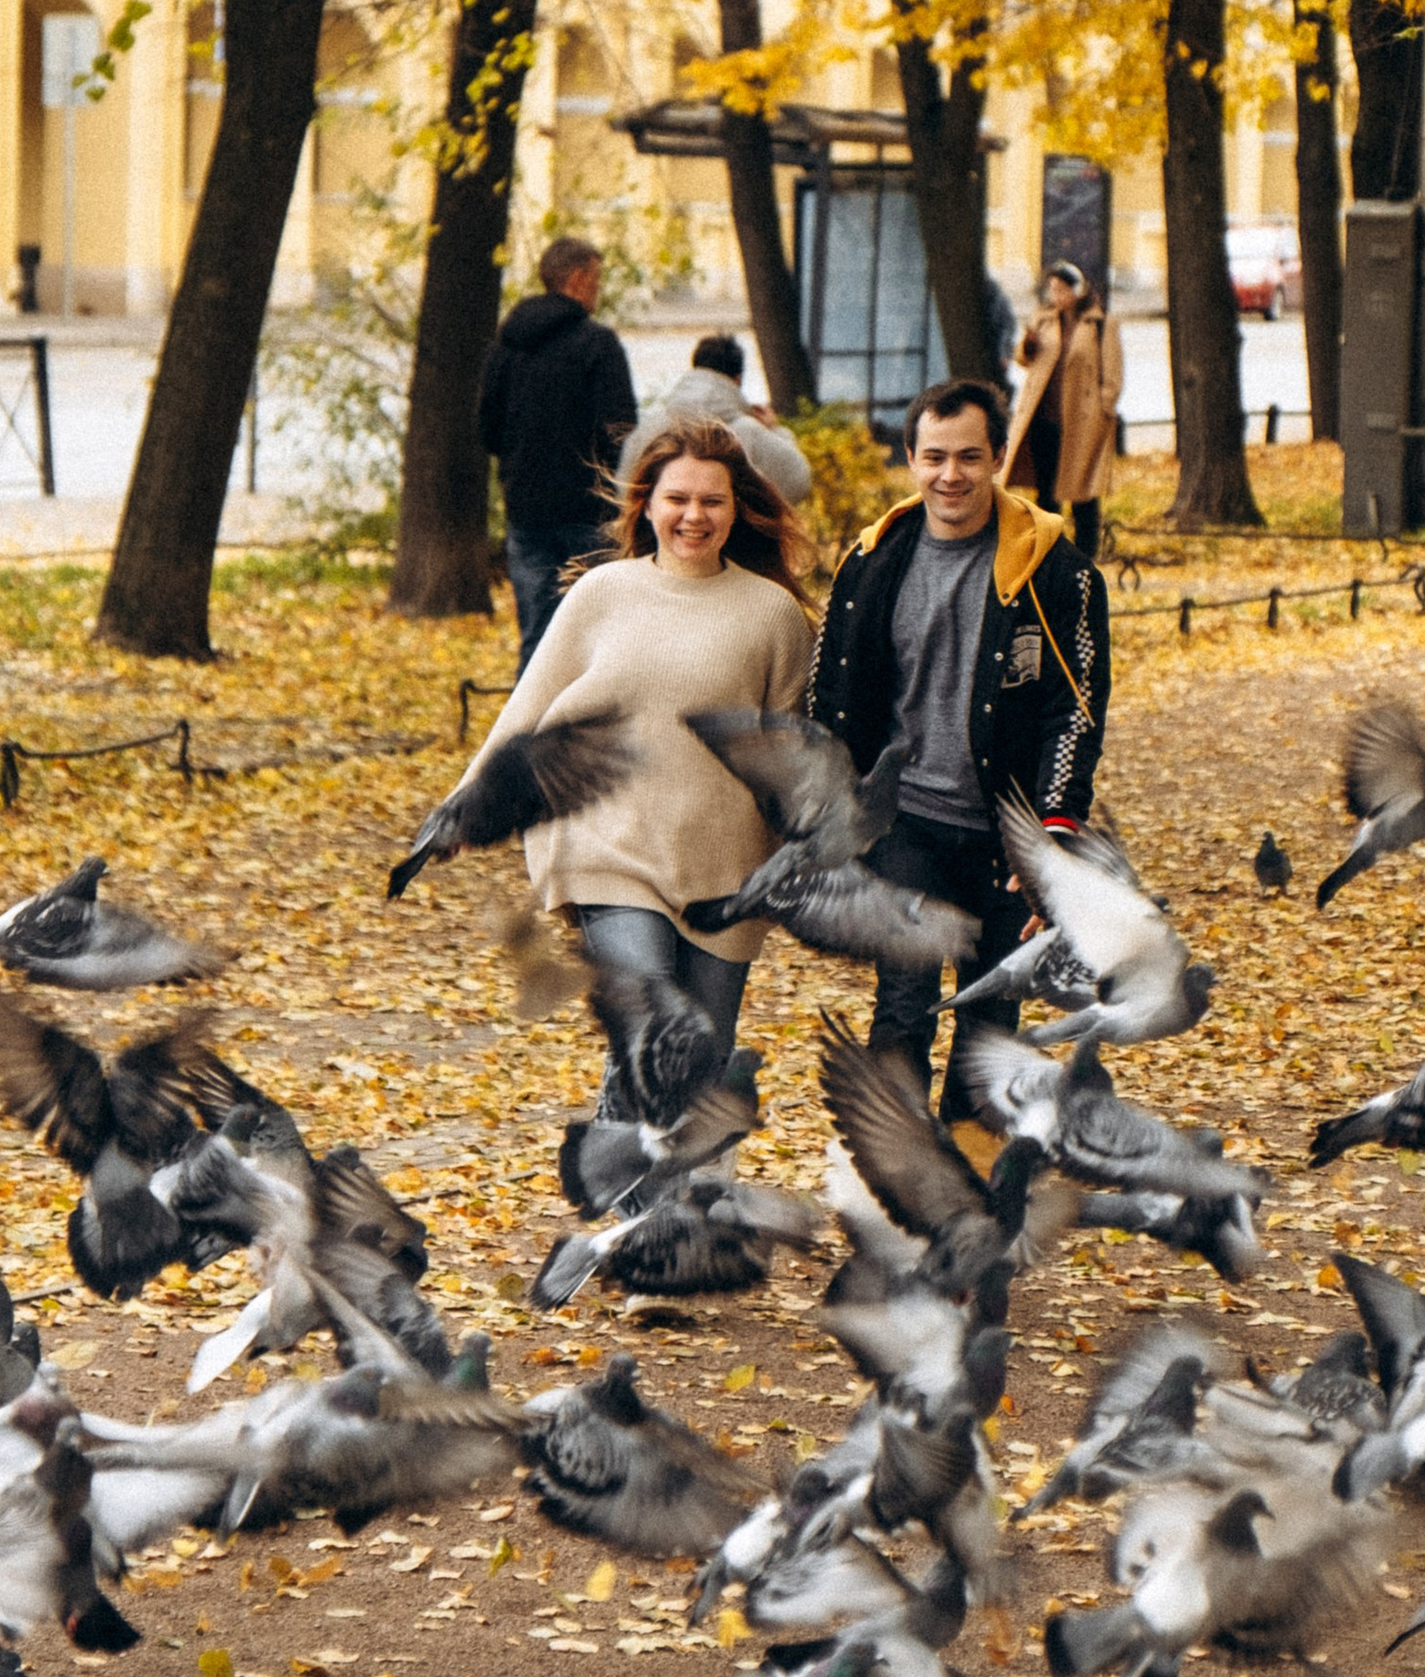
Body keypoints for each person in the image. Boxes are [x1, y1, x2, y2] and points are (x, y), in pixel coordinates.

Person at [467, 422, 812, 1091]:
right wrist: (466, 809)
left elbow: (791, 757)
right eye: (677, 498)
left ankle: (666, 1189)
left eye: (712, 501)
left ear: (737, 509)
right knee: (651, 1027)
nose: (693, 515)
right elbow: (528, 708)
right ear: (647, 503)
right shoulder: (603, 593)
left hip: (725, 873)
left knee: (698, 1069)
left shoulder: (774, 616)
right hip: (610, 850)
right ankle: (635, 1198)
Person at [807, 376, 1109, 1116]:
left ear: (1000, 457)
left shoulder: (1055, 573)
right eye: (934, 456)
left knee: (988, 1017)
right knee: (902, 1007)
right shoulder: (870, 563)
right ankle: (894, 1171)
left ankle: (967, 1180)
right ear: (910, 459)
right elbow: (830, 692)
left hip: (1007, 837)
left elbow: (1073, 712)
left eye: (970, 456)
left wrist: (1053, 835)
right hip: (906, 822)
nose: (952, 475)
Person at [476, 236, 638, 668]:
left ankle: (530, 729)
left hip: (526, 509)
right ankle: (593, 728)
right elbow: (621, 428)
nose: (598, 291)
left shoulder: (506, 346)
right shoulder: (597, 345)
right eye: (596, 279)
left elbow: (487, 430)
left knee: (537, 634)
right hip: (588, 510)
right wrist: (605, 476)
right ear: (578, 278)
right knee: (598, 634)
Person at [1001, 262, 1124, 567]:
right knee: (1046, 492)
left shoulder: (1100, 324)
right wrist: (1026, 346)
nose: (1056, 296)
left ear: (1078, 289)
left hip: (1081, 423)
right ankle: (1047, 555)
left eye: (1062, 289)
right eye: (1052, 289)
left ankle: (1084, 559)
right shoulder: (1043, 319)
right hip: (1044, 418)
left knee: (1082, 492)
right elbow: (1024, 360)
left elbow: (1113, 374)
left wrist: (1103, 409)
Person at [617, 332, 813, 506]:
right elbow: (797, 482)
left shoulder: (649, 427)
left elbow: (624, 492)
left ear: (695, 369)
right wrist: (775, 431)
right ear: (738, 379)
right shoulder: (748, 430)